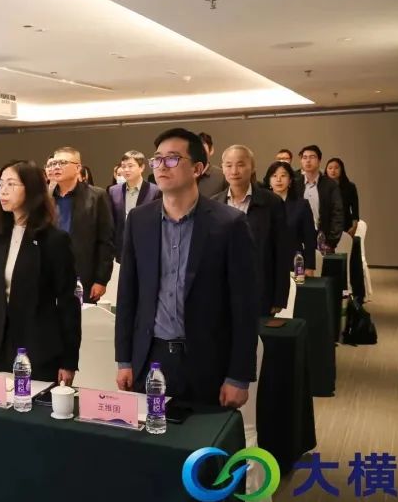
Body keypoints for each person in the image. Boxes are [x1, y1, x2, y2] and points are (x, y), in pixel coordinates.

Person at [115, 128, 256, 408]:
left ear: (198, 168)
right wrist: (124, 360)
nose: (161, 166)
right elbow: (128, 293)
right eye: (157, 159)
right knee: (150, 433)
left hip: (206, 360)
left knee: (204, 435)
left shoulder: (229, 224)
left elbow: (245, 306)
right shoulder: (139, 220)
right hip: (151, 357)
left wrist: (239, 376)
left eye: (172, 159)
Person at [0, 160, 80, 384]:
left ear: (31, 189)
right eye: (1, 185)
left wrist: (69, 360)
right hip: (1, 345)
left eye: (11, 184)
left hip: (39, 347)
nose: (3, 191)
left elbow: (67, 302)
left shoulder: (53, 240)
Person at [214, 146, 290, 317]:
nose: (234, 171)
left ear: (252, 167)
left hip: (260, 288)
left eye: (241, 164)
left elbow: (281, 250)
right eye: (228, 165)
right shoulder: (214, 204)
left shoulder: (272, 203)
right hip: (223, 290)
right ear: (222, 168)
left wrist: (279, 297)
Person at [49, 146, 114, 303]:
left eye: (62, 163)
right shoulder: (46, 197)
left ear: (78, 168)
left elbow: (106, 240)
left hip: (82, 275)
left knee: (80, 317)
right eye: (54, 163)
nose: (56, 167)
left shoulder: (96, 196)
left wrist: (101, 279)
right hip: (49, 274)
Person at [264, 161, 317, 276]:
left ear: (290, 180)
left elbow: (310, 238)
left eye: (283, 175)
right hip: (266, 263)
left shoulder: (301, 205)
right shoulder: (261, 205)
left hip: (294, 263)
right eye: (274, 176)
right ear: (269, 181)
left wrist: (309, 266)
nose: (278, 179)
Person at [108, 151, 161, 263]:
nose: (126, 170)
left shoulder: (155, 191)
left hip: (146, 246)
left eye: (130, 166)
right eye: (123, 166)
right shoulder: (114, 191)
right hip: (121, 248)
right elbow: (111, 221)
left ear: (142, 167)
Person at [294, 145, 345, 248]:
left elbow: (337, 214)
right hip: (299, 240)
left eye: (312, 157)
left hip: (323, 240)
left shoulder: (330, 185)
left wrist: (331, 241)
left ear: (319, 160)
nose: (308, 161)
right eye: (304, 157)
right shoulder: (295, 185)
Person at [325, 157, 360, 235]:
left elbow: (355, 208)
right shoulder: (322, 186)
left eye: (336, 168)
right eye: (330, 168)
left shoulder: (350, 187)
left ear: (342, 170)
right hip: (326, 225)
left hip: (345, 224)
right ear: (326, 170)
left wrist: (354, 226)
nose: (333, 171)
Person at [196, 132, 229, 197]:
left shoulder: (223, 176)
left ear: (211, 150)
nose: (199, 154)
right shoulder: (184, 175)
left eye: (203, 151)